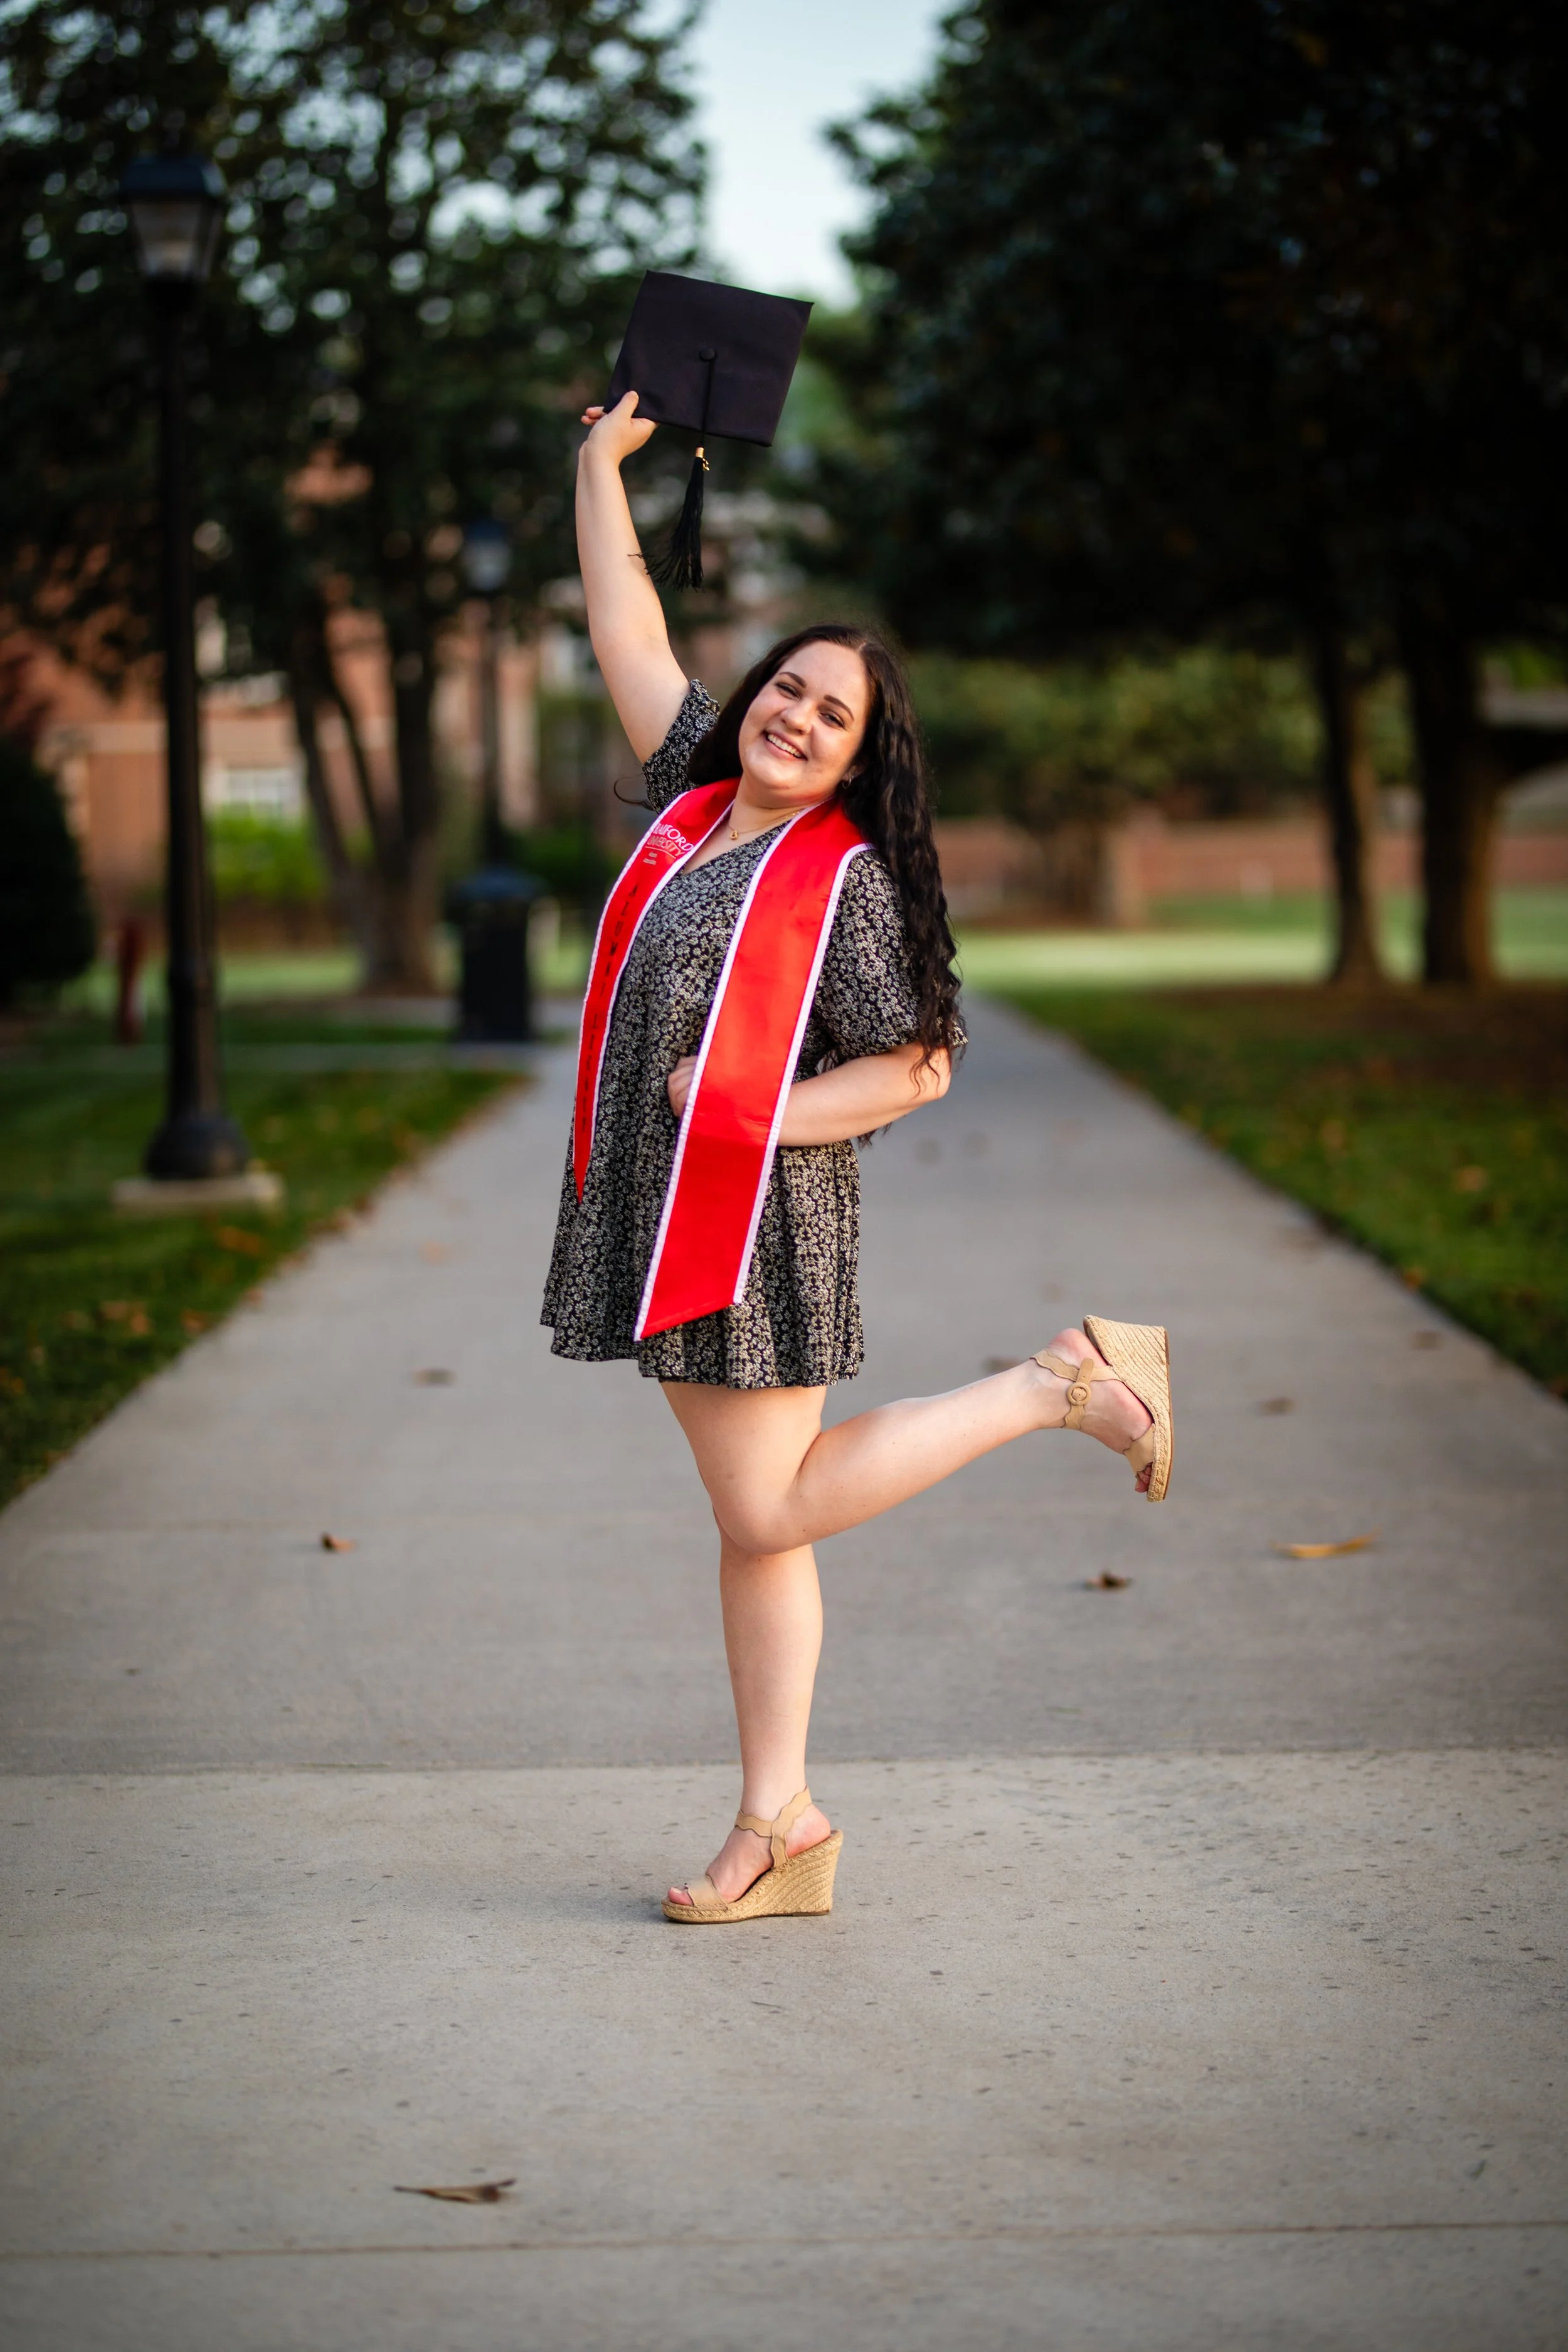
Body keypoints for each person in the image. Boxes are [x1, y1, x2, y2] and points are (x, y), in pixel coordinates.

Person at [544, 389, 1174, 1926]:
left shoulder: (849, 885)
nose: (798, 717)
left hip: (751, 1221)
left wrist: (748, 1107)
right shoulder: (694, 798)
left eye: (834, 717)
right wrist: (594, 473)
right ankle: (779, 1824)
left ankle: (1060, 1380)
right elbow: (627, 621)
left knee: (768, 1512)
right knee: (752, 1525)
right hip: (663, 1203)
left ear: (851, 763)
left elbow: (916, 1065)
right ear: (752, 695)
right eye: (790, 690)